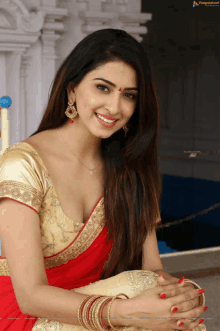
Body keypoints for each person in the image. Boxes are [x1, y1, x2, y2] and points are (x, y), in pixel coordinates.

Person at [0, 29, 207, 331]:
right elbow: (31, 297)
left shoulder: (131, 167)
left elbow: (153, 270)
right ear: (72, 90)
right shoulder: (22, 164)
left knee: (161, 301)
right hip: (23, 314)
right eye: (103, 88)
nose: (114, 107)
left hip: (104, 302)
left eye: (128, 95)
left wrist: (181, 297)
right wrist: (125, 313)